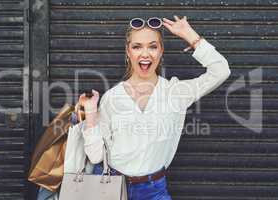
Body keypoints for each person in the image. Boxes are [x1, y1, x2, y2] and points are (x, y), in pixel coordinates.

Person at [78, 16, 231, 200]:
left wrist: (190, 35)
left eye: (152, 46)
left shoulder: (175, 92)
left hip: (154, 191)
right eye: (137, 47)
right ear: (128, 51)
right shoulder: (112, 98)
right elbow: (95, 157)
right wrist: (91, 113)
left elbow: (221, 71)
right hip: (110, 189)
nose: (145, 54)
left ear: (161, 51)